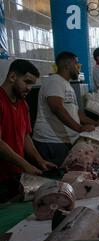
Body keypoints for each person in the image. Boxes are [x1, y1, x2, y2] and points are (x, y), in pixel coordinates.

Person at [33, 52, 99, 166]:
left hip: (64, 140)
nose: (78, 67)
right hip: (51, 141)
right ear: (67, 65)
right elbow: (56, 107)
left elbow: (77, 113)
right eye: (76, 64)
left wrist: (95, 123)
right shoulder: (54, 81)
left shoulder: (67, 85)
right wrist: (79, 128)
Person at [0, 60, 57, 203]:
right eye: (27, 82)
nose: (29, 88)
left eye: (32, 84)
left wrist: (40, 161)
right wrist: (26, 165)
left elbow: (25, 137)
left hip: (16, 175)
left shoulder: (23, 104)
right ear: (12, 77)